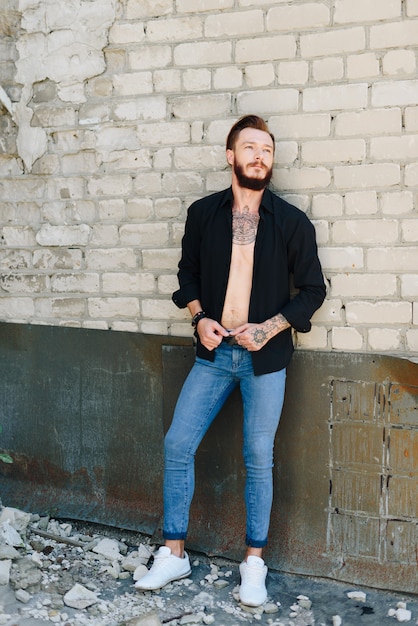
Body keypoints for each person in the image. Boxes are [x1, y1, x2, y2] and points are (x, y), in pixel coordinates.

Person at [135, 115, 326, 606]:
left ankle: (254, 565)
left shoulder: (290, 222)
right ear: (230, 156)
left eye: (267, 148)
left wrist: (269, 327)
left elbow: (312, 291)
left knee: (257, 457)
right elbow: (188, 273)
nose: (260, 156)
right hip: (214, 354)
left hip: (266, 361)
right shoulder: (203, 214)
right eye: (249, 147)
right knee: (178, 444)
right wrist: (199, 317)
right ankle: (174, 553)